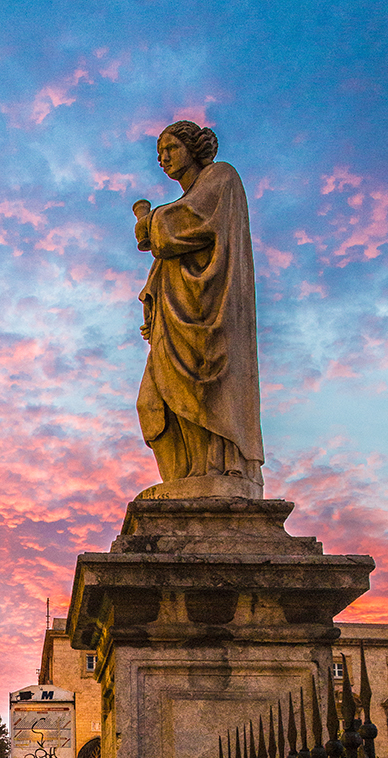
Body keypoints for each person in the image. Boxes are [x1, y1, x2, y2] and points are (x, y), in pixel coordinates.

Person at [134, 121, 264, 493]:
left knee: (207, 395)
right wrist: (153, 303)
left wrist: (150, 222)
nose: (163, 158)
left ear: (193, 148)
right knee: (151, 402)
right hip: (177, 317)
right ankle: (186, 477)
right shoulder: (188, 198)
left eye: (171, 148)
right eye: (159, 153)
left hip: (209, 316)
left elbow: (189, 222)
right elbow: (168, 247)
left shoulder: (221, 178)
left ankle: (218, 469)